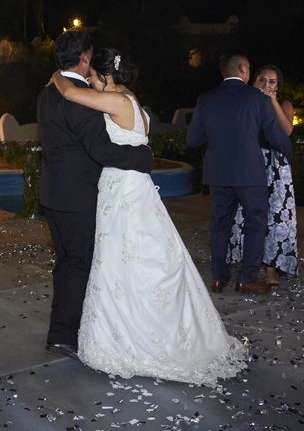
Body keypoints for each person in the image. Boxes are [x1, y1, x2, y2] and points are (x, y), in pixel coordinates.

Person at [51, 48, 247, 386]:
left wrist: (56, 75)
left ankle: (131, 338)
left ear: (106, 76)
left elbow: (69, 92)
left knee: (123, 260)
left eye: (94, 78)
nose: (92, 84)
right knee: (137, 256)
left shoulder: (114, 100)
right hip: (134, 187)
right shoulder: (134, 101)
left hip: (122, 190)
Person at [37, 31, 153, 360]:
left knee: (66, 263)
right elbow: (102, 151)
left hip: (52, 192)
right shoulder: (82, 98)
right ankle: (64, 334)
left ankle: (60, 329)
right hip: (78, 198)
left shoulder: (47, 93)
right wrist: (144, 158)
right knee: (78, 264)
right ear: (85, 59)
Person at [187, 54, 292, 295]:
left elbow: (193, 140)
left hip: (217, 174)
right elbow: (277, 137)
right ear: (244, 70)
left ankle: (218, 278)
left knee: (220, 225)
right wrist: (288, 151)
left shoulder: (206, 99)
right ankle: (246, 279)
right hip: (249, 175)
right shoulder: (257, 99)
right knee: (256, 223)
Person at [227, 65, 298, 284]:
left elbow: (287, 130)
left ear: (278, 86)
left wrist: (273, 102)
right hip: (250, 163)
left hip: (276, 168)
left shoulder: (284, 104)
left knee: (276, 216)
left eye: (272, 81)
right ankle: (249, 262)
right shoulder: (246, 102)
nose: (266, 85)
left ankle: (271, 269)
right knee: (247, 214)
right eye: (262, 80)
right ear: (253, 81)